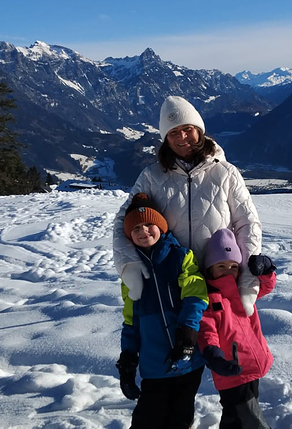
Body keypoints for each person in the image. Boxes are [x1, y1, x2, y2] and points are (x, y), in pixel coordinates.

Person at [113, 95, 263, 318]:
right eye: (173, 132)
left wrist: (248, 278)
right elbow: (123, 222)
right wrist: (129, 264)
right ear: (165, 138)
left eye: (188, 129)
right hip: (172, 281)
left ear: (199, 131)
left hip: (220, 280)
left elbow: (248, 223)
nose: (182, 137)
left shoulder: (226, 173)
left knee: (224, 348)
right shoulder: (152, 176)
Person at [115, 193, 209, 429]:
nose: (144, 232)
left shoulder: (181, 257)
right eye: (136, 229)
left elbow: (195, 293)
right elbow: (131, 320)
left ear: (162, 227)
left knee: (178, 418)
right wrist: (129, 358)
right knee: (147, 416)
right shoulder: (131, 273)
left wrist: (189, 332)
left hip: (188, 357)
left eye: (149, 226)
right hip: (155, 363)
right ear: (129, 236)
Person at [197, 228, 284, 429]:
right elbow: (206, 330)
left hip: (252, 365)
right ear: (209, 268)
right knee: (250, 415)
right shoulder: (210, 298)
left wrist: (266, 270)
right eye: (220, 265)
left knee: (234, 415)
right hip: (231, 370)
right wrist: (212, 352)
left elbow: (265, 286)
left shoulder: (243, 290)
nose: (227, 271)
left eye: (233, 265)